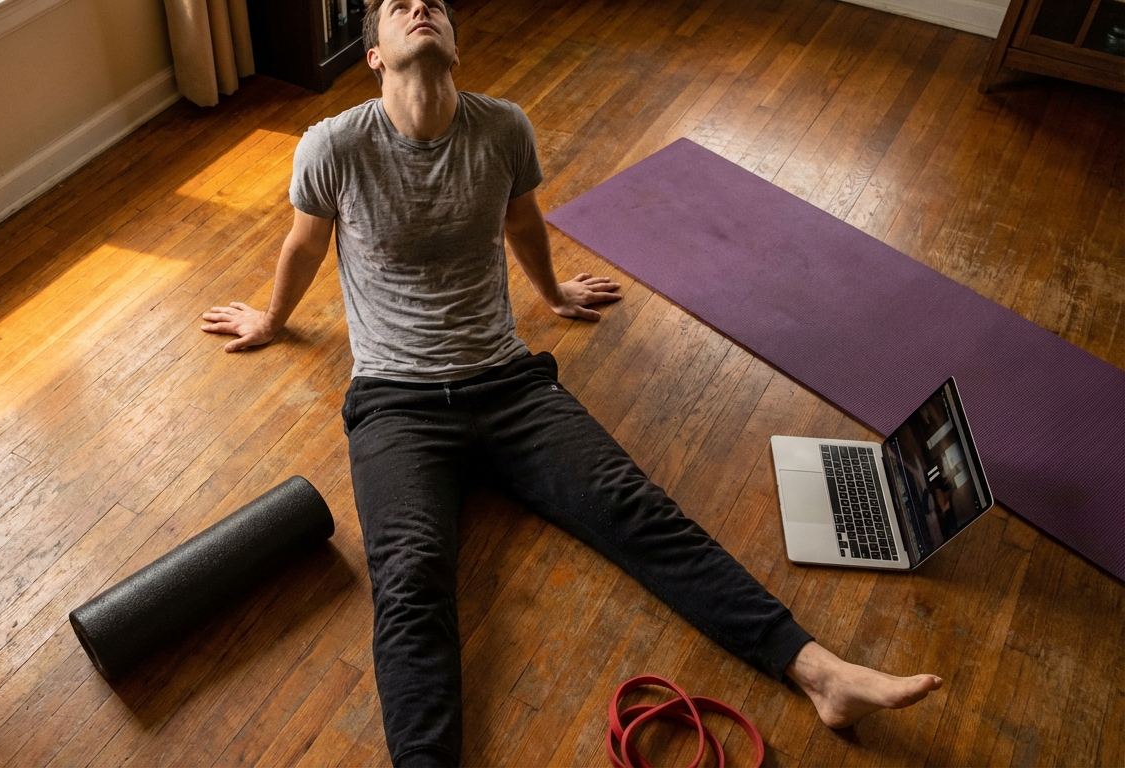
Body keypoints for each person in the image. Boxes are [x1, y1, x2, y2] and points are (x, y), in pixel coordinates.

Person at [202, 1, 943, 764]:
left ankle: (821, 675)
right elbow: (304, 243)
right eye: (399, 4)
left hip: (508, 386)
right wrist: (270, 316)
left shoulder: (502, 128)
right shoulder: (334, 145)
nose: (420, 8)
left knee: (640, 512)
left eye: (434, 5)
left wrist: (552, 296)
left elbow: (523, 223)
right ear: (374, 57)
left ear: (455, 45)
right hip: (397, 401)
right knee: (411, 575)